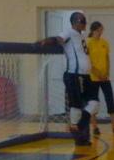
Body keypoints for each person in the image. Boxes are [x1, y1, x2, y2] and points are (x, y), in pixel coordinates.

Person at [37, 12, 99, 146]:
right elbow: (58, 39)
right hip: (74, 75)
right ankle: (78, 133)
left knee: (94, 103)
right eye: (82, 21)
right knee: (76, 105)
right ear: (76, 22)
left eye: (85, 21)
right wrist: (46, 41)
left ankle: (79, 125)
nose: (84, 23)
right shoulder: (69, 32)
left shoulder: (81, 35)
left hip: (86, 75)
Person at [86, 21, 114, 136]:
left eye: (102, 30)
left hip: (105, 77)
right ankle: (94, 126)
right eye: (99, 30)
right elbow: (87, 61)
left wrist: (107, 73)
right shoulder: (88, 43)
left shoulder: (104, 42)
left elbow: (107, 58)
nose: (101, 32)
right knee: (94, 102)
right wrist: (98, 73)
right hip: (93, 77)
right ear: (93, 30)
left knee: (110, 99)